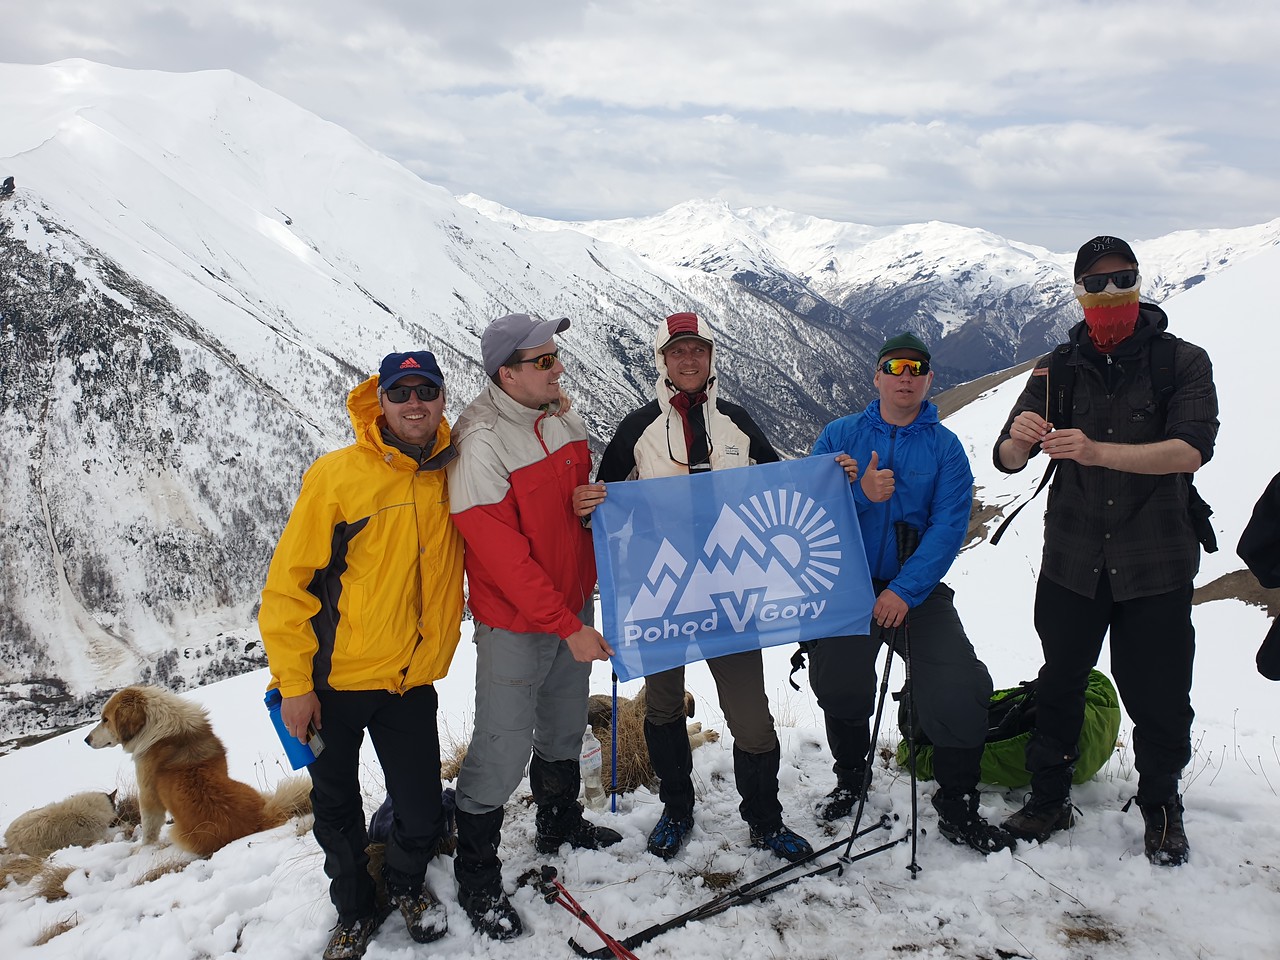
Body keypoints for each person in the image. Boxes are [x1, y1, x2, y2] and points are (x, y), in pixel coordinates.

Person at [994, 235, 1218, 866]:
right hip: (1072, 559)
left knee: (1160, 691)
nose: (1112, 292)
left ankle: (1161, 804)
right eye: (1098, 283)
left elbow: (1192, 449)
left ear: (1140, 284)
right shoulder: (1057, 366)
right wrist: (1020, 438)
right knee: (1060, 681)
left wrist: (1096, 451)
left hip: (1157, 559)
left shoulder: (1183, 363)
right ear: (1079, 292)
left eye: (1123, 279)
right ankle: (1048, 797)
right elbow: (1007, 461)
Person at [592, 311, 818, 863]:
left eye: (697, 350)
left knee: (751, 716)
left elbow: (778, 482)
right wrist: (590, 505)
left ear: (710, 357)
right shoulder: (638, 427)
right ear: (662, 360)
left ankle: (765, 819)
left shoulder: (736, 421)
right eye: (677, 351)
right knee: (664, 707)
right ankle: (676, 810)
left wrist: (828, 473)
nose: (689, 359)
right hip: (662, 588)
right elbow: (606, 493)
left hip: (730, 587)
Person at [259, 351, 464, 960]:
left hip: (409, 683)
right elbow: (286, 586)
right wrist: (294, 684)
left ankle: (405, 880)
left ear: (441, 400)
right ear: (382, 401)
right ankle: (355, 910)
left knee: (423, 811)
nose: (414, 404)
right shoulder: (337, 476)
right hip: (332, 688)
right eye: (401, 393)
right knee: (337, 812)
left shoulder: (454, 472)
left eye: (426, 390)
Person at [446, 313, 620, 941]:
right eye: (544, 361)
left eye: (555, 356)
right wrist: (565, 622)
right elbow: (503, 557)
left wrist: (584, 505)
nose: (559, 367)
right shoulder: (481, 441)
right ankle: (477, 876)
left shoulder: (562, 419)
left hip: (572, 607)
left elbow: (568, 512)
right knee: (501, 745)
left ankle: (558, 820)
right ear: (508, 373)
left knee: (564, 725)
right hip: (519, 624)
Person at [807, 332, 1014, 855]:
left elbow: (948, 527)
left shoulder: (945, 449)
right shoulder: (838, 435)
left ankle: (956, 800)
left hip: (914, 587)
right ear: (876, 376)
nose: (905, 376)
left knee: (960, 682)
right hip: (846, 582)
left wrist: (903, 590)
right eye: (895, 367)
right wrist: (861, 495)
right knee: (840, 681)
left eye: (916, 369)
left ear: (928, 380)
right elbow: (806, 514)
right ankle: (851, 777)